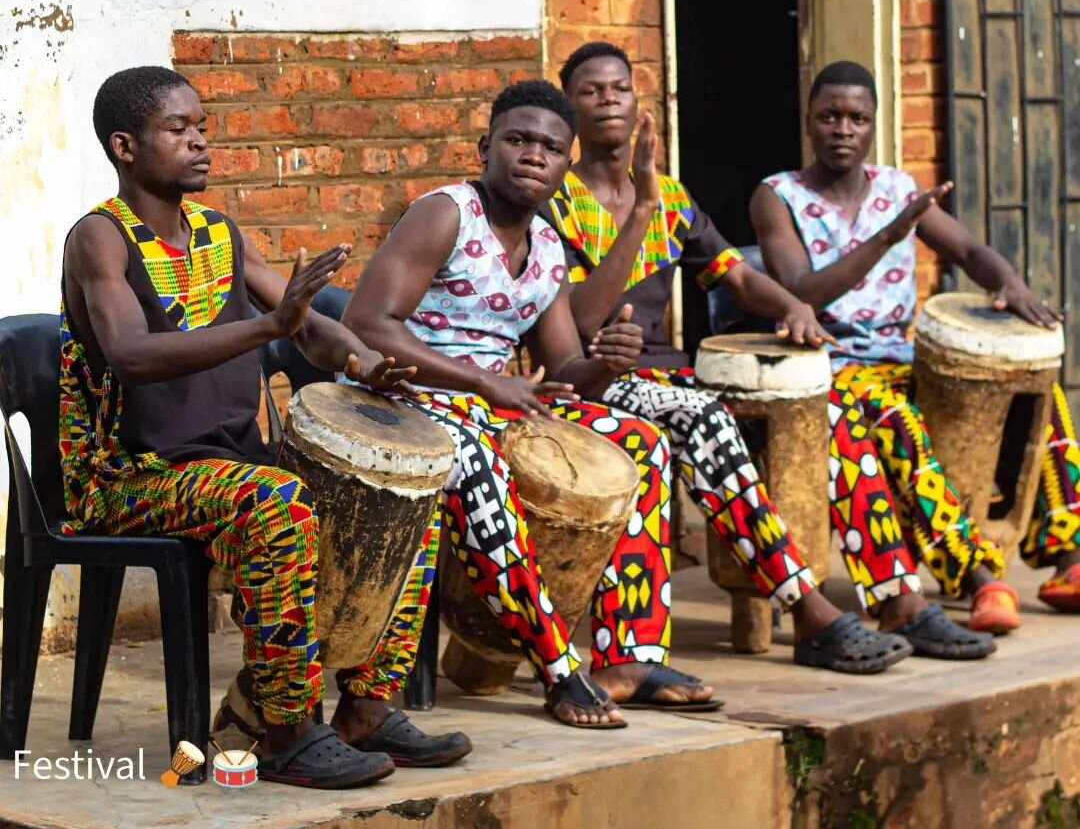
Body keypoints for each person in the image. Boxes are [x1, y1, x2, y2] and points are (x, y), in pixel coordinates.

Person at [343, 77, 909, 734]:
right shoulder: (446, 212)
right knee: (477, 463)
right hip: (416, 398)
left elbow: (563, 369)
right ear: (484, 148)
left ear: (563, 166)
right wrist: (483, 382)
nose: (532, 155)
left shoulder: (547, 249)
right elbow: (369, 320)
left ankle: (631, 656)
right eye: (517, 140)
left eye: (549, 148)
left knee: (642, 440)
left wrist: (606, 361)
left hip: (496, 403)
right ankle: (560, 668)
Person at [60, 66, 471, 789]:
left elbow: (306, 328)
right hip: (134, 477)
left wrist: (365, 362)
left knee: (405, 494)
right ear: (125, 146)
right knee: (278, 504)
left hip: (228, 462)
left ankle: (367, 709)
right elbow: (129, 356)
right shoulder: (101, 240)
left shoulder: (221, 234)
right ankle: (283, 729)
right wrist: (266, 330)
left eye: (202, 127)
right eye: (177, 130)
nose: (199, 143)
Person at [551, 42, 992, 661]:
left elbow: (734, 274)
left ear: (636, 99)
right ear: (569, 108)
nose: (606, 100)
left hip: (672, 372)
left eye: (618, 88)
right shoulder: (556, 202)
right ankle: (807, 609)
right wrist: (640, 213)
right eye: (590, 90)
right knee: (704, 420)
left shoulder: (671, 199)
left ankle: (896, 597)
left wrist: (790, 306)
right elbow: (575, 322)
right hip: (595, 376)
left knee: (828, 412)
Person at [751, 59, 1080, 629]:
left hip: (902, 356)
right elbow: (802, 291)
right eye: (829, 115)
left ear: (874, 123)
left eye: (857, 117)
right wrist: (888, 235)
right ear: (809, 120)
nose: (843, 129)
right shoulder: (777, 196)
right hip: (832, 363)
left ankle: (1068, 558)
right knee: (894, 417)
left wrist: (1010, 284)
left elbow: (971, 251)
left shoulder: (898, 190)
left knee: (1037, 396)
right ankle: (979, 577)